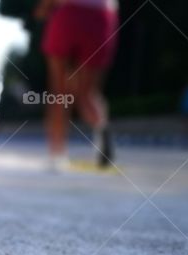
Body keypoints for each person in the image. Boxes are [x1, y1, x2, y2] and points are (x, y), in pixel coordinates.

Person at [36, 0, 119, 170]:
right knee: (88, 92)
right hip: (102, 15)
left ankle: (57, 154)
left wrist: (44, 7)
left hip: (69, 12)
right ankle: (101, 126)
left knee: (60, 93)